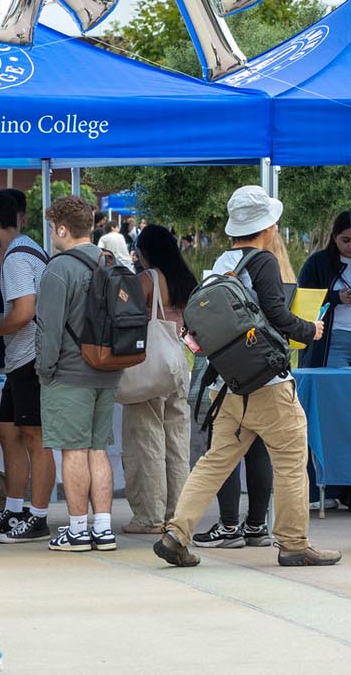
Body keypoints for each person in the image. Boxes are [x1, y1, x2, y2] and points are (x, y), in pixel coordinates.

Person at [155, 186, 340, 569]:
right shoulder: (263, 262)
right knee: (290, 461)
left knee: (214, 461)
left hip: (228, 383)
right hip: (269, 382)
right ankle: (293, 544)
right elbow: (277, 315)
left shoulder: (221, 262)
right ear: (268, 226)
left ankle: (176, 534)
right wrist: (310, 330)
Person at [33, 196, 120, 554]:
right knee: (98, 450)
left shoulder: (58, 269)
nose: (52, 234)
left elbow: (48, 330)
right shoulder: (110, 262)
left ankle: (78, 529)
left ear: (63, 228)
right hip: (107, 369)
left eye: (53, 228)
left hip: (69, 372)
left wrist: (44, 369)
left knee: (73, 451)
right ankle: (103, 527)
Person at [0, 191, 54, 545]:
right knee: (8, 434)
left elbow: (22, 314)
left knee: (35, 437)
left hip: (31, 358)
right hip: (20, 360)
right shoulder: (28, 249)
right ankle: (14, 509)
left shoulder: (17, 259)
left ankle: (39, 516)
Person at [121, 226, 196, 535]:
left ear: (146, 251)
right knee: (178, 442)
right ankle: (178, 513)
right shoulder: (187, 279)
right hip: (182, 363)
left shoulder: (148, 279)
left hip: (150, 365)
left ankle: (149, 516)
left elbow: (125, 313)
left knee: (146, 439)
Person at [298, 211, 351, 369]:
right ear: (334, 237)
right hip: (332, 339)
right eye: (345, 240)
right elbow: (304, 302)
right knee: (332, 388)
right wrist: (335, 297)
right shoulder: (317, 263)